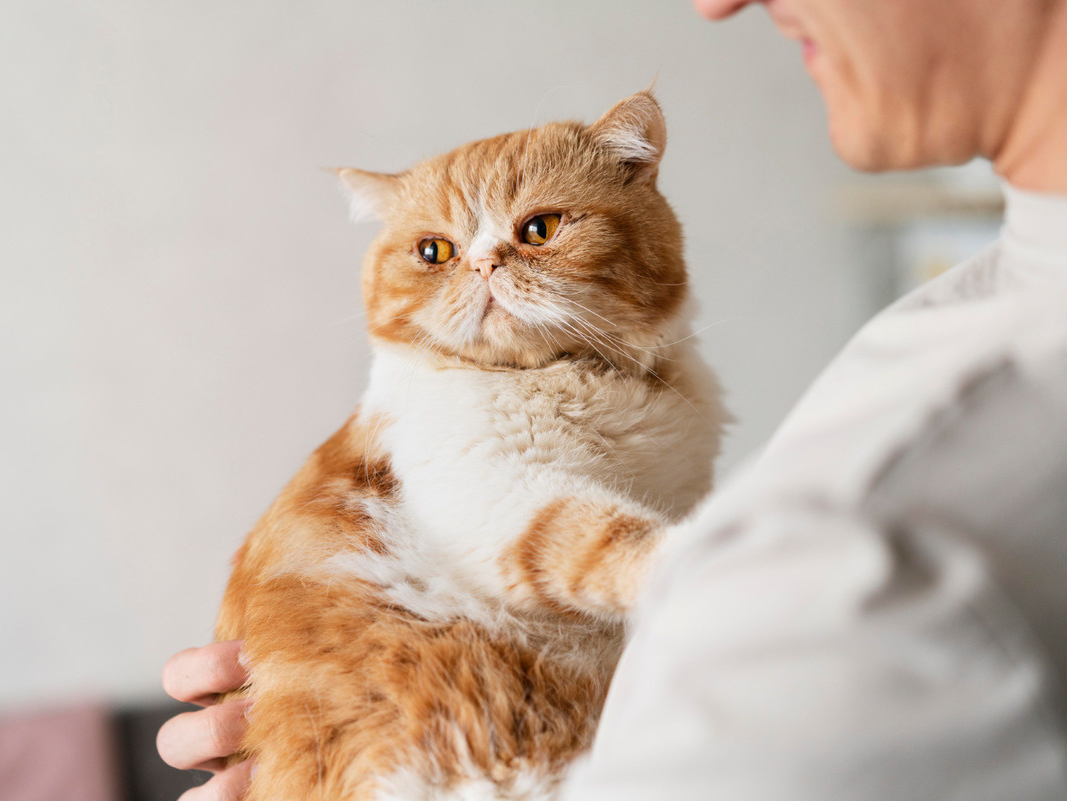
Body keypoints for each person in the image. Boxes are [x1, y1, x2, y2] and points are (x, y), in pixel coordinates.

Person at [156, 1, 1067, 798]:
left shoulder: (876, 537)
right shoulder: (958, 322)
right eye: (433, 252)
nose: (716, 4)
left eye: (539, 229)